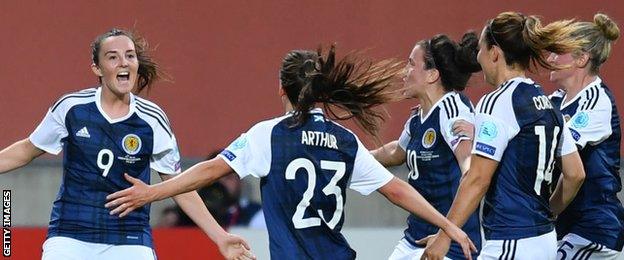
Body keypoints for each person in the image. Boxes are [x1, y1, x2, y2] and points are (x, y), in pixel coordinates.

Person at [105, 44, 478, 259]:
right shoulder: (344, 139)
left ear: (282, 89)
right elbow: (397, 190)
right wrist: (448, 224)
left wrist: (153, 192)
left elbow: (209, 171)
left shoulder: (269, 135)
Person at [0, 28, 252, 260]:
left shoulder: (152, 119)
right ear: (97, 68)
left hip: (129, 238)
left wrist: (220, 236)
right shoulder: (71, 108)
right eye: (113, 57)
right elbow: (26, 150)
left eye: (130, 56)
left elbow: (179, 185)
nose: (123, 62)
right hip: (70, 234)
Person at [421, 12, 587, 260]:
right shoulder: (549, 104)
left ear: (495, 53)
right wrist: (545, 215)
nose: (478, 57)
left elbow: (477, 179)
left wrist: (445, 235)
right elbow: (575, 174)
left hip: (511, 241)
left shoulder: (498, 101)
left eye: (480, 49)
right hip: (544, 240)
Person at [371, 32, 482, 260]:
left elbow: (470, 170)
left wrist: (446, 233)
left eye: (411, 64)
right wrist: (352, 154)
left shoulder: (452, 109)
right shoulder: (418, 118)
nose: (404, 72)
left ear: (432, 75)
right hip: (415, 237)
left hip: (450, 243)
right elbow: (396, 152)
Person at [547, 13, 623, 260]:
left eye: (558, 52)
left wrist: (548, 211)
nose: (550, 59)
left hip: (595, 231)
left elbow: (565, 158)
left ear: (581, 58)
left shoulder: (596, 102)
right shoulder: (555, 101)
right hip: (567, 230)